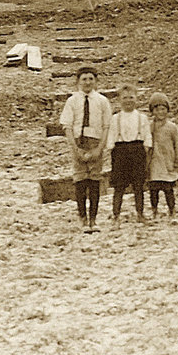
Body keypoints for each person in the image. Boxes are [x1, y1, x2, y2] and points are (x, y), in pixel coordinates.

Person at [59, 66, 112, 233]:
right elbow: (67, 126)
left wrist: (99, 148)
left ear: (96, 81)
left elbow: (106, 126)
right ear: (78, 82)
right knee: (80, 181)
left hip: (96, 142)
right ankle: (82, 218)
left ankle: (93, 219)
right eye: (84, 79)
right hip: (78, 142)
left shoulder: (102, 101)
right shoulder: (72, 101)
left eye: (91, 79)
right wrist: (74, 148)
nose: (87, 82)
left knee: (94, 181)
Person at [106, 83, 152, 225]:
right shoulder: (115, 118)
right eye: (125, 98)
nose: (128, 101)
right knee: (119, 186)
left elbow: (147, 137)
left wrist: (145, 150)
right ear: (119, 99)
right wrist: (111, 150)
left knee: (138, 185)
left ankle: (140, 213)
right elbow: (111, 137)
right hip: (120, 151)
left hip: (137, 150)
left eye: (131, 97)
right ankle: (116, 215)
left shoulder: (142, 118)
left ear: (136, 99)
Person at [146, 92, 178, 223]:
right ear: (152, 111)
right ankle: (154, 210)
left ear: (167, 110)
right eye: (157, 109)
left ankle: (172, 210)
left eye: (163, 109)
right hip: (154, 163)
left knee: (168, 189)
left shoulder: (172, 127)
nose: (160, 112)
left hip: (168, 162)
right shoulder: (149, 127)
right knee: (154, 190)